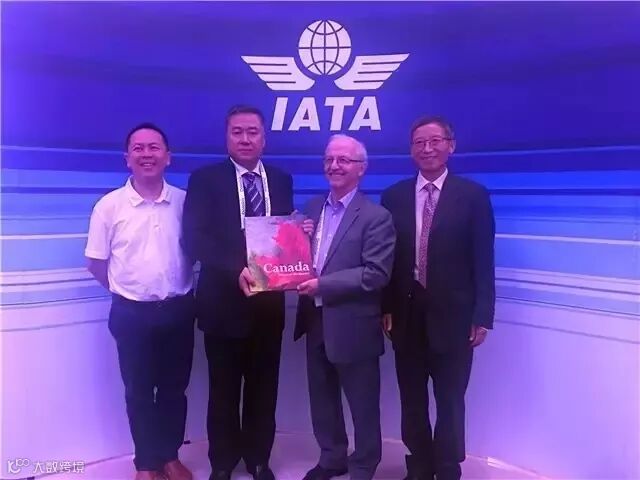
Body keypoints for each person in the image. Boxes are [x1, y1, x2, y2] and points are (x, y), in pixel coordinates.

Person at [182, 105, 294, 480]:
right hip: (222, 306)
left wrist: (299, 234)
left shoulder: (281, 180)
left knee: (264, 388)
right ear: (227, 136)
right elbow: (194, 239)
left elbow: (282, 236)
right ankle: (222, 463)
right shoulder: (205, 180)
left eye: (252, 132)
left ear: (264, 138)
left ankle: (259, 459)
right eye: (237, 132)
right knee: (223, 390)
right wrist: (237, 268)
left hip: (268, 306)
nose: (245, 139)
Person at [380, 116, 496, 480]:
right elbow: (387, 259)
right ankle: (418, 462)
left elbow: (483, 258)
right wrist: (385, 307)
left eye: (435, 141)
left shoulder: (473, 196)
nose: (427, 148)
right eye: (419, 142)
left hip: (456, 317)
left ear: (451, 145)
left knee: (450, 398)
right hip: (406, 315)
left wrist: (482, 314)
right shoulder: (393, 196)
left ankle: (447, 465)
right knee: (412, 397)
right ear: (411, 149)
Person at [85, 123, 195, 480]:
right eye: (139, 148)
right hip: (131, 313)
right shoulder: (109, 206)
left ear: (168, 156)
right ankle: (146, 463)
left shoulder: (184, 202)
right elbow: (96, 263)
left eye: (154, 147)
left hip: (179, 310)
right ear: (127, 158)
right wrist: (126, 291)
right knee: (138, 390)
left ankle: (170, 457)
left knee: (175, 389)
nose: (147, 154)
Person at [294, 134, 396, 480]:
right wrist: (296, 237)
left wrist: (322, 285)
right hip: (314, 319)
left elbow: (376, 273)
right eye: (329, 159)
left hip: (355, 324)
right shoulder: (309, 210)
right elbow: (293, 256)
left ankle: (364, 465)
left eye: (343, 160)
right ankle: (332, 458)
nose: (334, 166)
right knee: (322, 399)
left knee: (362, 404)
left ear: (361, 168)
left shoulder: (376, 217)